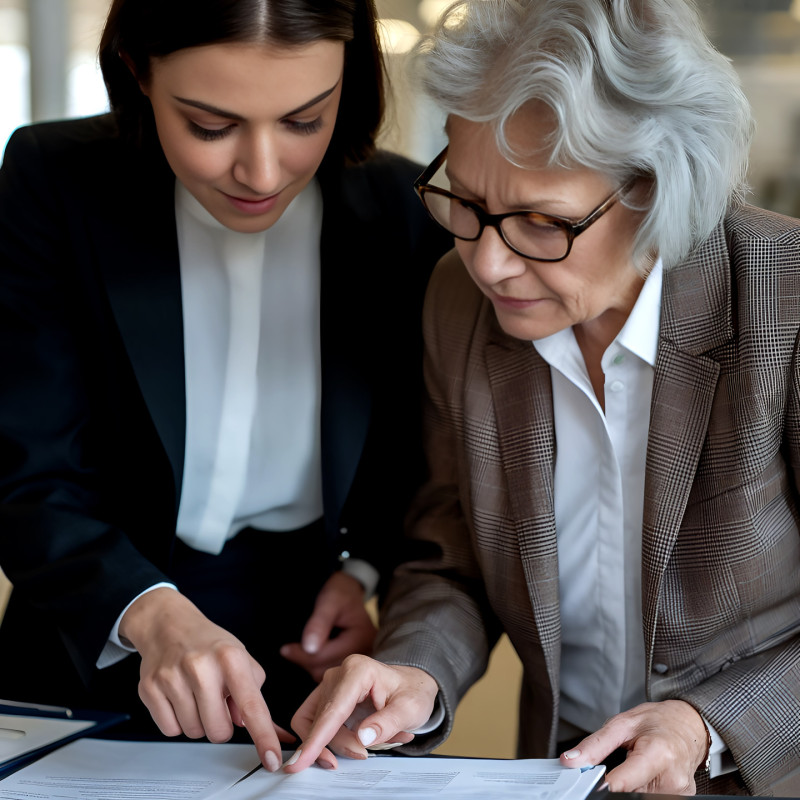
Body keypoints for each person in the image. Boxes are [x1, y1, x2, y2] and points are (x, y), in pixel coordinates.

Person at [285, 0, 800, 795]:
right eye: (467, 203)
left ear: (658, 191)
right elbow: (451, 554)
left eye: (538, 221)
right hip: (564, 770)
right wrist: (414, 673)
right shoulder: (457, 303)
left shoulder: (785, 299)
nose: (489, 263)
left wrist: (707, 726)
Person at [0, 0, 449, 774]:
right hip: (86, 638)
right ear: (138, 71)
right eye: (210, 127)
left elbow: (417, 457)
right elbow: (23, 467)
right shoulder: (53, 180)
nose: (263, 173)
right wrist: (145, 611)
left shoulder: (403, 213)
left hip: (307, 657)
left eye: (305, 120)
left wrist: (365, 572)